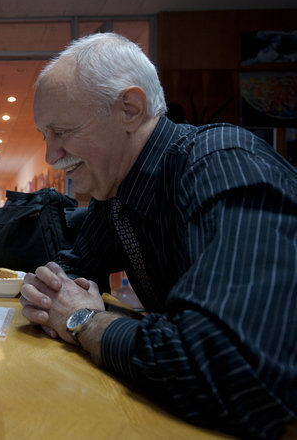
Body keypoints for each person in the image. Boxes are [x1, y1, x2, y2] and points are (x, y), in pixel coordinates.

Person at [20, 33, 297, 439]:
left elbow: (223, 368)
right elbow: (74, 268)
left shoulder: (224, 165)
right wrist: (46, 288)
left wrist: (84, 321)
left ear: (129, 109)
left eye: (61, 131)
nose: (51, 155)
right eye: (46, 135)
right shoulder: (115, 192)